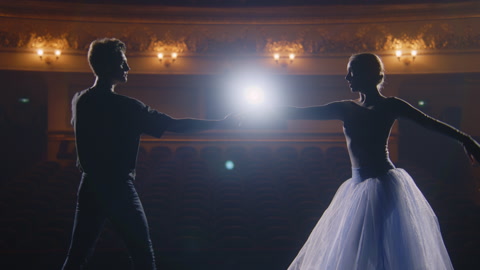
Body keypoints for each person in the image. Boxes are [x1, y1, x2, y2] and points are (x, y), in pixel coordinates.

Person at [254, 53, 480, 270]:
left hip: (383, 185)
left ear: (368, 74)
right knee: (357, 250)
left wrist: (466, 139)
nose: (347, 78)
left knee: (376, 248)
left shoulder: (391, 105)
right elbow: (299, 113)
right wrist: (258, 112)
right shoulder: (345, 108)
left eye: (351, 73)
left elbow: (430, 123)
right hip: (356, 185)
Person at [62, 38, 235, 270]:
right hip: (117, 187)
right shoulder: (127, 107)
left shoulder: (79, 100)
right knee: (142, 255)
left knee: (77, 256)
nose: (128, 68)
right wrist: (221, 124)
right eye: (122, 63)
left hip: (89, 185)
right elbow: (175, 125)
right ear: (107, 65)